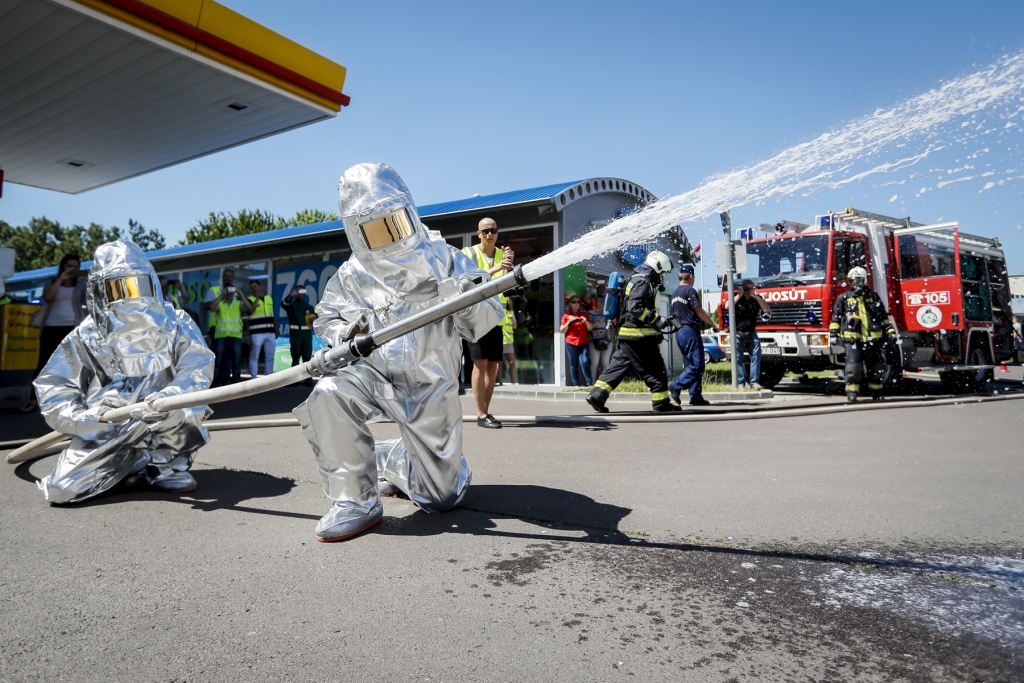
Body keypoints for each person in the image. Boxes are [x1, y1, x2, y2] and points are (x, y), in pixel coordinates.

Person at [293, 162, 502, 542]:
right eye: (373, 229)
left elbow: (485, 321)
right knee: (327, 394)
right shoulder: (352, 274)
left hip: (428, 386)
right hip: (372, 375)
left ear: (409, 211)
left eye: (395, 222)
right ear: (356, 231)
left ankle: (392, 458)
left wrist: (463, 299)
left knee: (441, 498)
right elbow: (325, 319)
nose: (387, 237)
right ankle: (355, 500)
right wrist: (345, 333)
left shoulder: (445, 257)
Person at [33, 241, 215, 504]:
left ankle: (166, 464)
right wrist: (83, 419)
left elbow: (196, 367)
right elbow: (55, 387)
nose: (132, 296)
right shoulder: (86, 335)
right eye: (120, 287)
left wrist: (172, 397)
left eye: (138, 285)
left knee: (189, 407)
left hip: (164, 416)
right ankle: (133, 460)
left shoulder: (175, 321)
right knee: (63, 490)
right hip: (108, 424)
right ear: (99, 290)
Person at [587, 251, 682, 413]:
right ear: (657, 268)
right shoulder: (643, 282)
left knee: (617, 367)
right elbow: (635, 308)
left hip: (628, 335)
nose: (663, 277)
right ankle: (661, 404)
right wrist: (657, 320)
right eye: (663, 273)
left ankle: (597, 395)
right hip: (639, 338)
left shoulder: (635, 278)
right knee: (656, 370)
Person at [461, 217, 514, 428]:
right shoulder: (468, 253)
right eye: (485, 231)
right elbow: (465, 282)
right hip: (476, 317)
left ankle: (486, 411)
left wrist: (509, 268)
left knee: (493, 366)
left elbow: (508, 288)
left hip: (496, 318)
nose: (489, 234)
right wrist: (495, 269)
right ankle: (481, 414)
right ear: (478, 234)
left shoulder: (503, 255)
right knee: (480, 364)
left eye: (493, 230)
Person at [829, 266, 897, 402]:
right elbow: (836, 318)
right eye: (853, 281)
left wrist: (890, 332)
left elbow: (883, 317)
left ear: (864, 281)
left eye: (859, 280)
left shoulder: (873, 297)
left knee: (876, 366)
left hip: (873, 339)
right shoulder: (843, 298)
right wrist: (833, 335)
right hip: (852, 340)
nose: (856, 284)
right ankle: (852, 393)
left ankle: (876, 391)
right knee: (853, 367)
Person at [668, 264, 721, 406]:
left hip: (679, 333)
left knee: (690, 365)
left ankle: (695, 396)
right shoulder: (690, 291)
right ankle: (676, 385)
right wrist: (714, 325)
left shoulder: (674, 295)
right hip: (690, 332)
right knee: (698, 365)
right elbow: (699, 311)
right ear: (691, 277)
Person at [206, 279, 253, 386]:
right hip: (221, 335)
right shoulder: (220, 303)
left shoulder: (238, 303)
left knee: (236, 360)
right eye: (227, 290)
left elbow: (249, 309)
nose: (230, 292)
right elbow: (212, 307)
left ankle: (236, 382)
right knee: (219, 361)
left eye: (232, 289)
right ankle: (217, 383)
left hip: (235, 335)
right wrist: (221, 295)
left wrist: (240, 294)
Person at [733, 278, 770, 389]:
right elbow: (727, 306)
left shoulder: (756, 299)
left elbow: (766, 309)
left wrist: (755, 296)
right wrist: (740, 294)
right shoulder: (737, 298)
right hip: (738, 332)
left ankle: (754, 382)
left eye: (752, 288)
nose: (749, 290)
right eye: (748, 288)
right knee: (738, 358)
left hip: (751, 332)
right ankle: (740, 383)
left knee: (756, 356)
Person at [281, 286, 316, 387]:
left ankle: (308, 379)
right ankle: (294, 380)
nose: (301, 293)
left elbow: (311, 322)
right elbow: (283, 304)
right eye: (299, 291)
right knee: (295, 358)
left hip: (306, 336)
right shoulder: (292, 306)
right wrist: (291, 295)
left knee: (307, 357)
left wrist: (314, 319)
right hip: (296, 335)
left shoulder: (309, 307)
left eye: (303, 291)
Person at [560, 295, 593, 387]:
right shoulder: (566, 315)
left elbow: (590, 328)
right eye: (574, 302)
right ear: (570, 304)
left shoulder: (584, 314)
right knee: (573, 363)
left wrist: (586, 322)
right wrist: (569, 322)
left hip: (583, 342)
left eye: (578, 302)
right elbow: (562, 330)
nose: (576, 304)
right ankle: (576, 384)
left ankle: (589, 383)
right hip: (571, 342)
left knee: (585, 362)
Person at [246, 279, 276, 378]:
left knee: (270, 356)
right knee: (255, 355)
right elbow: (251, 310)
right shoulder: (249, 299)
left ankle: (268, 377)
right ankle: (254, 378)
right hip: (256, 332)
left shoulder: (269, 298)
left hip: (270, 331)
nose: (254, 289)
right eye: (252, 287)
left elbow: (272, 315)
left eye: (255, 286)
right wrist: (257, 298)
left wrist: (276, 328)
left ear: (260, 287)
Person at [588, 284, 615, 380]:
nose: (600, 303)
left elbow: (612, 328)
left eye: (602, 302)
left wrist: (612, 341)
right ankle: (592, 383)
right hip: (594, 341)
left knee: (605, 362)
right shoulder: (591, 313)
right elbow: (589, 327)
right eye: (598, 301)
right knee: (594, 363)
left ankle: (606, 382)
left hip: (606, 340)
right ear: (595, 302)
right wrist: (599, 322)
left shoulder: (608, 314)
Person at [499, 299, 517, 385]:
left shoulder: (511, 312)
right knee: (499, 363)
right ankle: (500, 382)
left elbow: (515, 326)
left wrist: (512, 319)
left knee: (512, 362)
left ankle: (513, 382)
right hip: (499, 339)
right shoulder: (498, 311)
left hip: (508, 340)